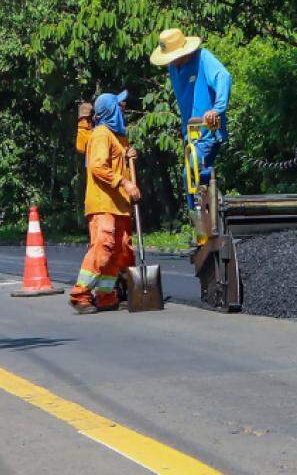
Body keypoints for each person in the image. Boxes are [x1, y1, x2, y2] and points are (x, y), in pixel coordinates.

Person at [70, 91, 139, 315]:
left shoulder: (117, 137)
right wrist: (125, 183)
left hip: (119, 204)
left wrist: (129, 156)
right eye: (120, 105)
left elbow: (116, 163)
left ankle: (107, 295)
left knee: (119, 250)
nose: (124, 107)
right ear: (110, 109)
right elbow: (98, 167)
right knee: (103, 246)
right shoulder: (100, 134)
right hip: (103, 203)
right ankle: (81, 295)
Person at [150, 28, 232, 184]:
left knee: (190, 173)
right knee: (192, 178)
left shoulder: (203, 58)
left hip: (208, 129)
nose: (171, 60)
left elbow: (223, 76)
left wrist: (217, 109)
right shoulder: (173, 67)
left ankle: (207, 203)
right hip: (190, 131)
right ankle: (204, 204)